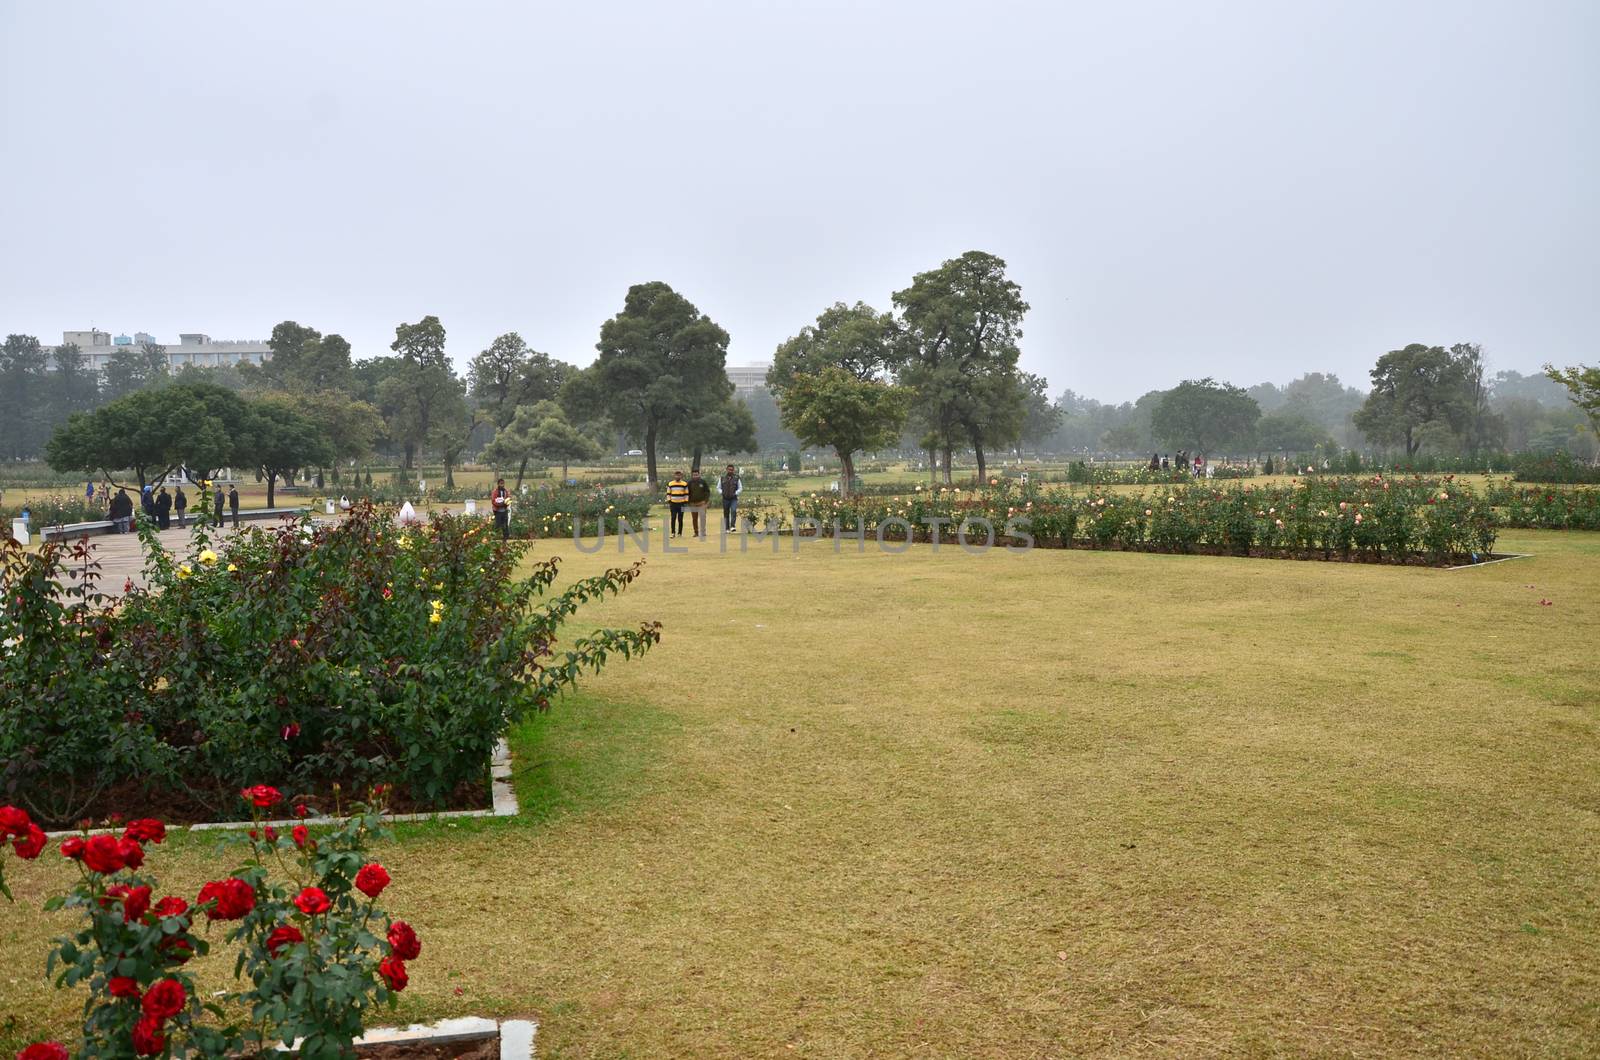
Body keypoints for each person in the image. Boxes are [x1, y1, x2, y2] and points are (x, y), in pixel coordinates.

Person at [686, 469, 711, 539]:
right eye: (694, 475)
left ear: (699, 475)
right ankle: (696, 532)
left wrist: (706, 501)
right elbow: (687, 493)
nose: (695, 476)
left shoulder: (703, 482)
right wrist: (688, 502)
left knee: (702, 517)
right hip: (692, 503)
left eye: (696, 475)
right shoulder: (689, 483)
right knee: (694, 518)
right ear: (692, 475)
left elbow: (707, 492)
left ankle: (703, 532)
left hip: (702, 503)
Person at [665, 470, 689, 537]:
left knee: (680, 519)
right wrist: (669, 500)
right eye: (676, 475)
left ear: (681, 476)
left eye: (679, 475)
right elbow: (668, 493)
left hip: (681, 504)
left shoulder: (684, 484)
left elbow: (686, 494)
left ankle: (680, 533)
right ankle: (673, 533)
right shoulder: (670, 484)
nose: (678, 476)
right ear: (674, 476)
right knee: (673, 518)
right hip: (673, 504)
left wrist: (685, 501)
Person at [719, 464, 741, 531]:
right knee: (726, 513)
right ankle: (727, 528)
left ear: (733, 470)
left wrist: (736, 493)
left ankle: (732, 526)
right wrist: (721, 492)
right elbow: (718, 487)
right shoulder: (722, 478)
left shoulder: (737, 478)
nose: (730, 471)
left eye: (731, 470)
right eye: (729, 469)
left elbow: (740, 488)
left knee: (733, 511)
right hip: (725, 498)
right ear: (727, 470)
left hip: (733, 498)